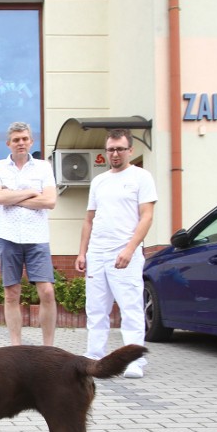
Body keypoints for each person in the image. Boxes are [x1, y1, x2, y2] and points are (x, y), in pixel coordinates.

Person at [74, 128, 157, 379]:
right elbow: (89, 220)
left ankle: (133, 361)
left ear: (130, 150)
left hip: (124, 254)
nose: (115, 153)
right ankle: (94, 356)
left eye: (120, 148)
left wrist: (129, 249)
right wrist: (82, 253)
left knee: (130, 308)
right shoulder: (99, 182)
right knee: (96, 309)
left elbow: (147, 216)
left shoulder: (141, 177)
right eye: (111, 149)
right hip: (97, 254)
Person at [0, 121, 57, 346]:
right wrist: (29, 193)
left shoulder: (43, 168)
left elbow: (49, 201)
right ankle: (15, 348)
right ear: (9, 143)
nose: (21, 143)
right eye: (16, 140)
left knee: (46, 292)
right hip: (7, 236)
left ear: (31, 141)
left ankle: (48, 348)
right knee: (11, 293)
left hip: (37, 237)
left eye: (25, 139)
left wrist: (13, 196)